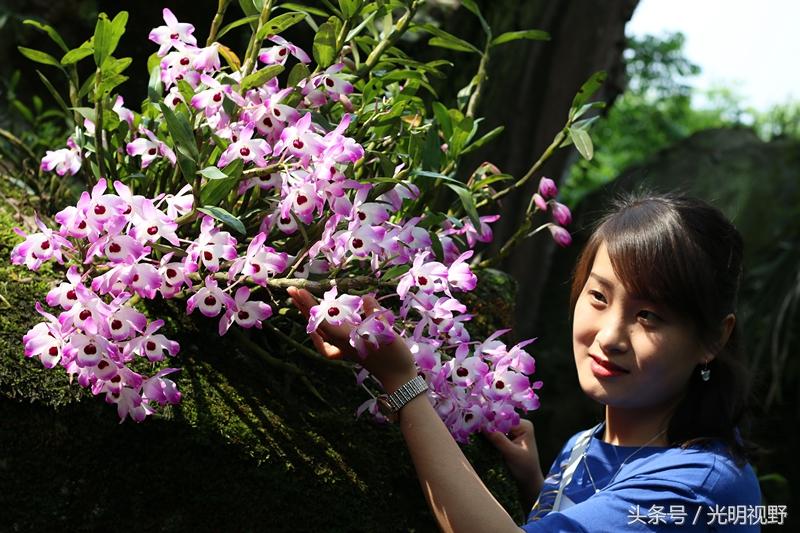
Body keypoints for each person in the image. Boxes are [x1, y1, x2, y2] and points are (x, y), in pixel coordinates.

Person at [287, 192, 762, 532]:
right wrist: (541, 487)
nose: (611, 335)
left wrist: (403, 384)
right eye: (598, 296)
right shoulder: (588, 444)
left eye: (650, 316)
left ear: (713, 339)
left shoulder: (698, 490)